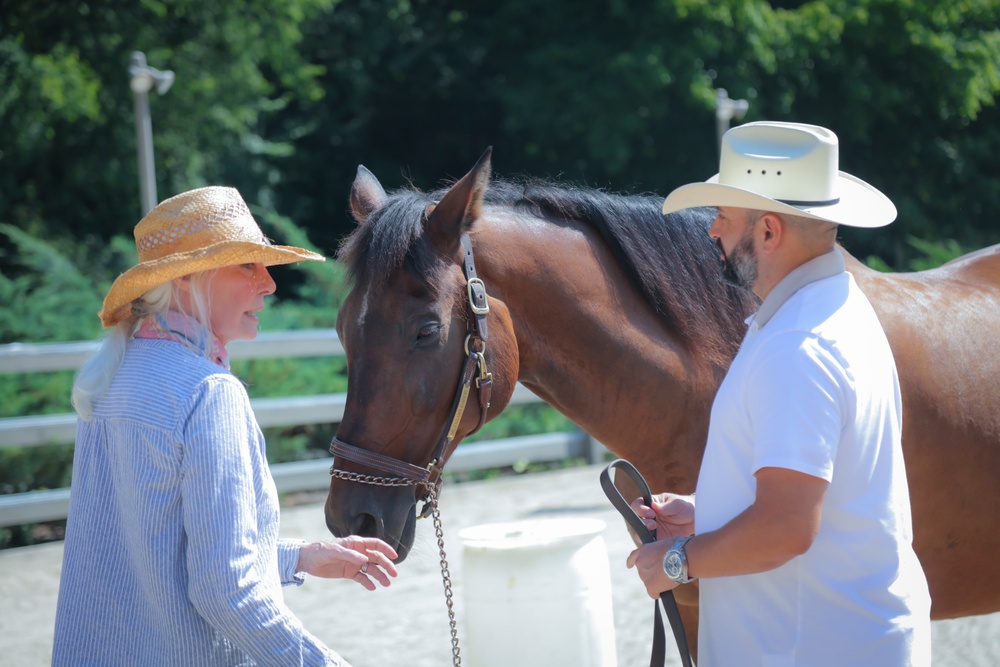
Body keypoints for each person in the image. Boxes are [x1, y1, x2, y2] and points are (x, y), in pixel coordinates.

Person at [626, 121, 932, 666]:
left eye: (723, 215)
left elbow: (785, 527)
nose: (713, 231)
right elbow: (820, 493)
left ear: (768, 232)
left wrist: (676, 561)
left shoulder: (799, 346)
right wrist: (710, 511)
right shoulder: (828, 308)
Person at [52, 186, 398, 666]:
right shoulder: (208, 392)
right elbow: (225, 592)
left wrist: (299, 556)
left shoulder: (114, 375)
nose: (269, 283)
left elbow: (160, 552)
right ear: (192, 278)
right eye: (247, 265)